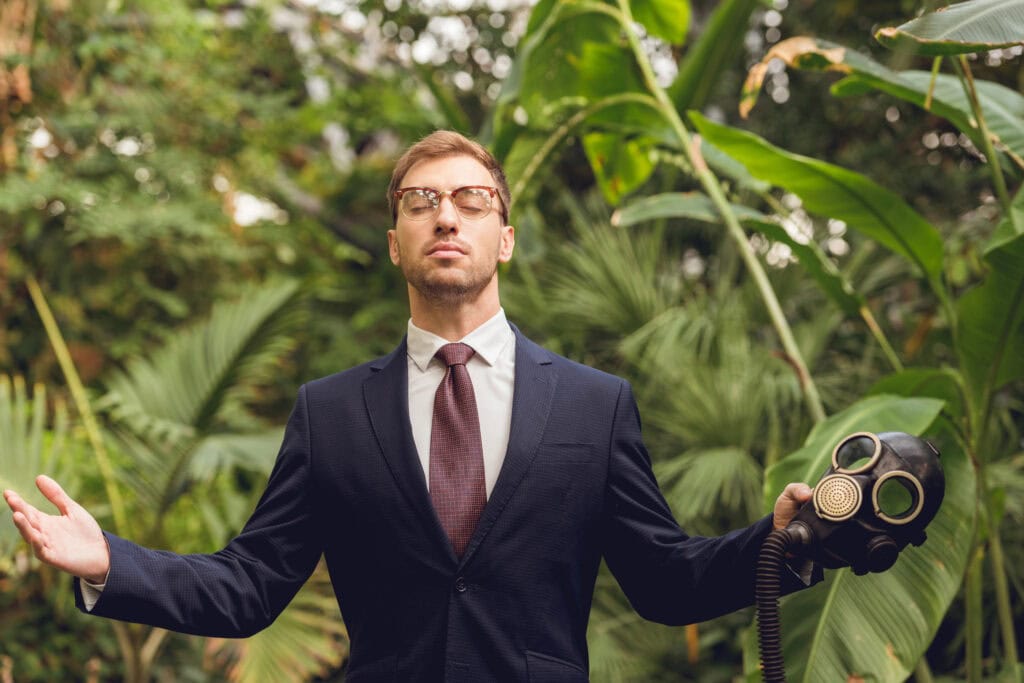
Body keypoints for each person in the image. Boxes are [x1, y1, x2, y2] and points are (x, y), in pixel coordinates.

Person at [4, 131, 816, 682]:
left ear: (505, 234)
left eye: (470, 199)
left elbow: (664, 582)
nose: (447, 216)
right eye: (421, 202)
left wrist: (781, 546)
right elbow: (249, 586)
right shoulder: (329, 413)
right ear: (396, 239)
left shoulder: (594, 406)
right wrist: (111, 560)